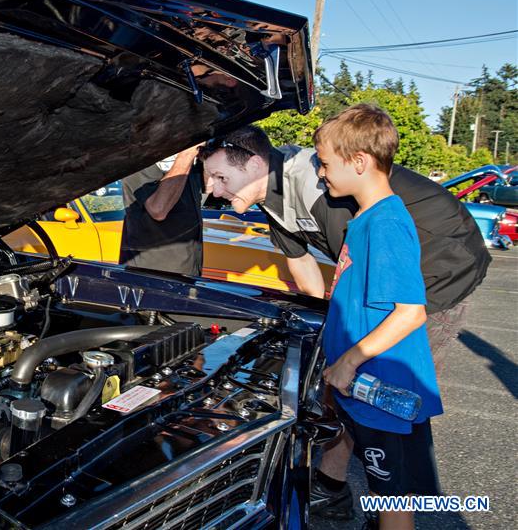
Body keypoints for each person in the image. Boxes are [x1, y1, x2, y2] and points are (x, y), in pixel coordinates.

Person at [200, 119, 490, 519]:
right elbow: (305, 270)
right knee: (345, 385)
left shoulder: (323, 187)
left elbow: (359, 279)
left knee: (375, 393)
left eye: (218, 177)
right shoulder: (273, 198)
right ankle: (335, 486)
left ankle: (384, 503)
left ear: (252, 164)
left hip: (439, 268)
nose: (212, 190)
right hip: (395, 279)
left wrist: (348, 356)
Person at [317, 104, 444, 530]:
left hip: (381, 389)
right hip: (363, 387)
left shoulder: (385, 223)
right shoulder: (365, 219)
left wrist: (349, 362)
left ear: (359, 161)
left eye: (325, 163)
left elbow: (410, 313)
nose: (321, 172)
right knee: (388, 492)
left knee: (393, 499)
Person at [119, 143, 204, 276]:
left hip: (188, 270)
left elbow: (210, 189)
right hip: (151, 275)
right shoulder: (137, 158)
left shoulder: (185, 161)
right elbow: (158, 210)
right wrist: (187, 154)